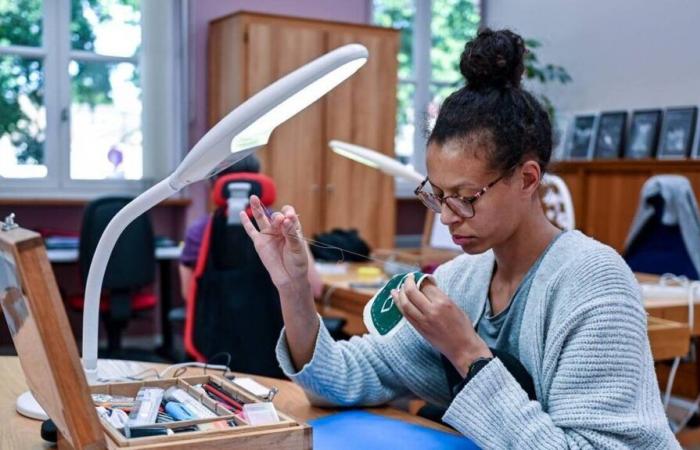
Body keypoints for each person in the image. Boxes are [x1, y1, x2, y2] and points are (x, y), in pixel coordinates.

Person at [240, 29, 678, 448]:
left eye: (467, 197)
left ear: (527, 178)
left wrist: (466, 350)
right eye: (438, 195)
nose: (448, 216)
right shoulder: (462, 280)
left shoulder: (594, 282)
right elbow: (341, 381)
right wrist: (295, 288)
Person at [178, 155, 323, 301]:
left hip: (214, 323)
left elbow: (189, 296)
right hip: (277, 324)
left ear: (215, 186)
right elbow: (315, 289)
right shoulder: (283, 226)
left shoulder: (197, 232)